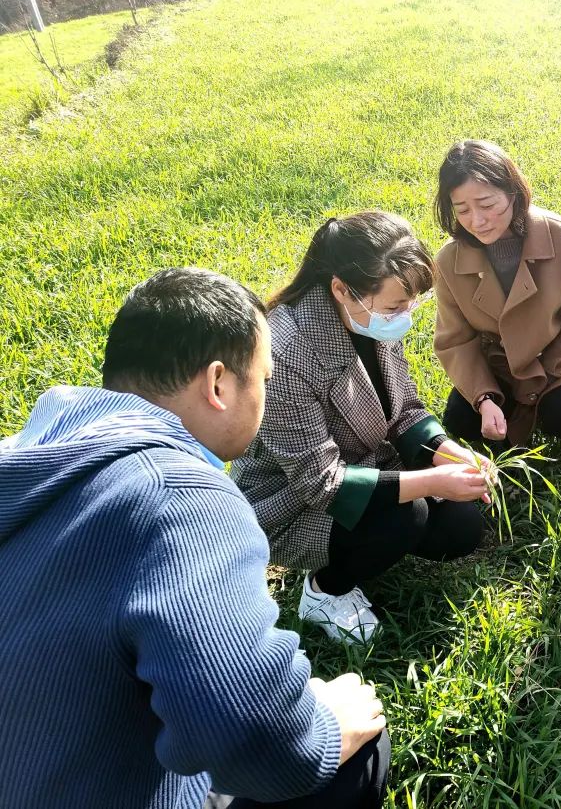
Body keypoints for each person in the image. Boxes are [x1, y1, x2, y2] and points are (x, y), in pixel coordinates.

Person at [0, 267, 390, 809]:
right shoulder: (181, 498)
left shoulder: (29, 447)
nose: (266, 393)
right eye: (265, 380)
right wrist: (325, 728)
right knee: (358, 751)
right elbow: (267, 743)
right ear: (217, 384)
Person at [232, 212, 490, 646]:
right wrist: (429, 480)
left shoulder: (370, 313)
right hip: (289, 498)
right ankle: (324, 591)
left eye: (411, 304)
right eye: (396, 307)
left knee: (461, 529)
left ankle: (374, 544)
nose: (405, 317)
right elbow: (322, 483)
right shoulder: (287, 353)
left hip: (363, 458)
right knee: (405, 514)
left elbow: (404, 408)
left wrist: (444, 449)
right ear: (340, 289)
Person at [433, 139, 561, 446]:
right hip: (498, 369)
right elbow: (456, 340)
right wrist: (484, 397)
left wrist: (540, 379)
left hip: (560, 366)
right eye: (462, 210)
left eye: (487, 205)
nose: (477, 220)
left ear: (513, 192)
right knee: (460, 420)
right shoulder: (447, 261)